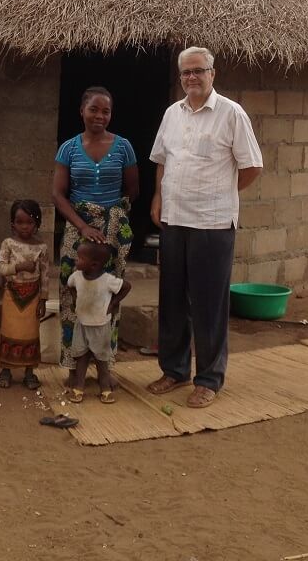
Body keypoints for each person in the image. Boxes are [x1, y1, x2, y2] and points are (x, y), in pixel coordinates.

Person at [148, 47, 262, 408]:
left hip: (213, 223)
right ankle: (175, 369)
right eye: (186, 73)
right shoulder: (171, 114)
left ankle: (209, 378)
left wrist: (220, 193)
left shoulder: (231, 113)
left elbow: (252, 167)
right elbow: (162, 161)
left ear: (213, 73)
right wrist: (158, 198)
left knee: (209, 304)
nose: (192, 78)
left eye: (199, 71)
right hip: (174, 220)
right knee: (172, 299)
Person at [52, 86, 139, 384]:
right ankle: (74, 365)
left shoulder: (124, 147)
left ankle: (105, 364)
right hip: (78, 228)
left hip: (113, 232)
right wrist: (84, 225)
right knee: (71, 291)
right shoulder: (69, 148)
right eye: (94, 109)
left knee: (108, 295)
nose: (99, 116)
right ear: (82, 111)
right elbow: (58, 194)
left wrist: (111, 218)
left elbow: (132, 191)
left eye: (106, 111)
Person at [65, 242, 131, 404]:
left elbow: (126, 287)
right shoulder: (76, 276)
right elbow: (70, 286)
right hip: (82, 324)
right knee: (81, 357)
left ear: (93, 264)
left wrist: (113, 304)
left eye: (80, 258)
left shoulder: (107, 280)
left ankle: (105, 388)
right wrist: (75, 300)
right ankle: (79, 387)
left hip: (101, 326)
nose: (76, 260)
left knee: (102, 359)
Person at [0, 199, 50, 390]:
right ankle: (6, 370)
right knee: (9, 331)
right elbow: (0, 269)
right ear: (12, 224)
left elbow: (45, 275)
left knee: (31, 333)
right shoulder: (8, 244)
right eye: (20, 222)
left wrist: (43, 300)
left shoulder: (42, 247)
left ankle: (29, 372)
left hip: (33, 296)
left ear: (37, 224)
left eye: (29, 222)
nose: (24, 226)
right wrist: (19, 267)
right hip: (12, 294)